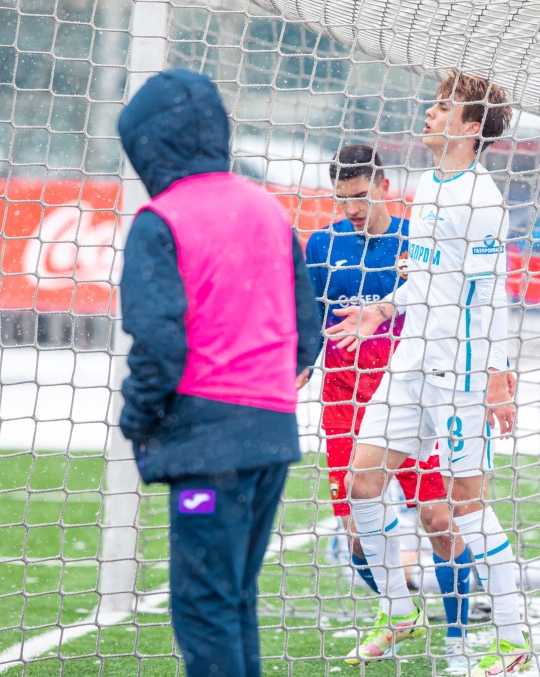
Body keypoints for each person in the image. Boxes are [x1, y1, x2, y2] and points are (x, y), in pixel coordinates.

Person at [326, 71, 532, 677]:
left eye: (444, 108)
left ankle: (514, 641)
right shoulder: (426, 183)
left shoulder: (483, 200)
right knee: (363, 481)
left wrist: (497, 374)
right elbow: (425, 277)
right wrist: (381, 309)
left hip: (462, 371)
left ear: (471, 129)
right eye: (434, 104)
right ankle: (398, 609)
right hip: (411, 360)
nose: (430, 113)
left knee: (466, 510)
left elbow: (492, 293)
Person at [117, 68, 321, 677]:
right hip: (272, 435)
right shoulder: (267, 210)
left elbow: (158, 344)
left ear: (151, 143)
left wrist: (139, 418)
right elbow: (307, 334)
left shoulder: (162, 220)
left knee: (204, 605)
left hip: (209, 440)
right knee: (235, 598)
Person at [300, 144, 473, 669]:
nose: (350, 208)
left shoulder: (416, 239)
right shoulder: (322, 245)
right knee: (356, 532)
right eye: (341, 198)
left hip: (411, 396)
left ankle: (459, 637)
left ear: (383, 187)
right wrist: (302, 360)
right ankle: (398, 613)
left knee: (440, 519)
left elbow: (446, 306)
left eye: (358, 196)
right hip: (343, 400)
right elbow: (310, 316)